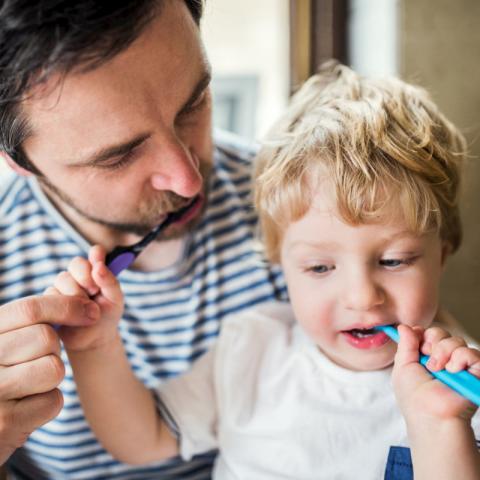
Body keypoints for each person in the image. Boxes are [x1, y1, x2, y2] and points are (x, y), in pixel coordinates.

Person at [51, 62, 480, 479]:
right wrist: (94, 348)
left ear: (442, 255)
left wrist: (442, 427)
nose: (362, 297)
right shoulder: (252, 349)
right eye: (319, 266)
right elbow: (142, 439)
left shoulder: (459, 392)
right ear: (280, 264)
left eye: (393, 261)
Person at [0, 1, 286, 478]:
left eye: (194, 103)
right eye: (117, 157)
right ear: (19, 161)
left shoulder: (302, 205)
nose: (187, 180)